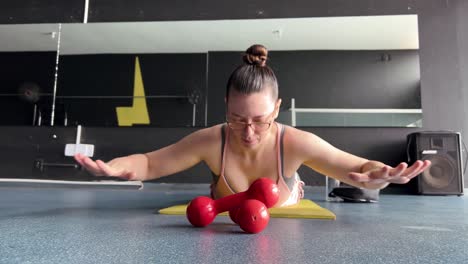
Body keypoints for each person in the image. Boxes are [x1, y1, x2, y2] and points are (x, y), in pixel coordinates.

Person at [74, 44, 431, 207]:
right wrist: (116, 168)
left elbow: (356, 166)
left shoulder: (295, 142)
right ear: (226, 107)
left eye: (260, 121)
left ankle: (297, 185)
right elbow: (151, 162)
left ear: (277, 108)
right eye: (237, 119)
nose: (247, 132)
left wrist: (382, 174)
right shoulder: (211, 140)